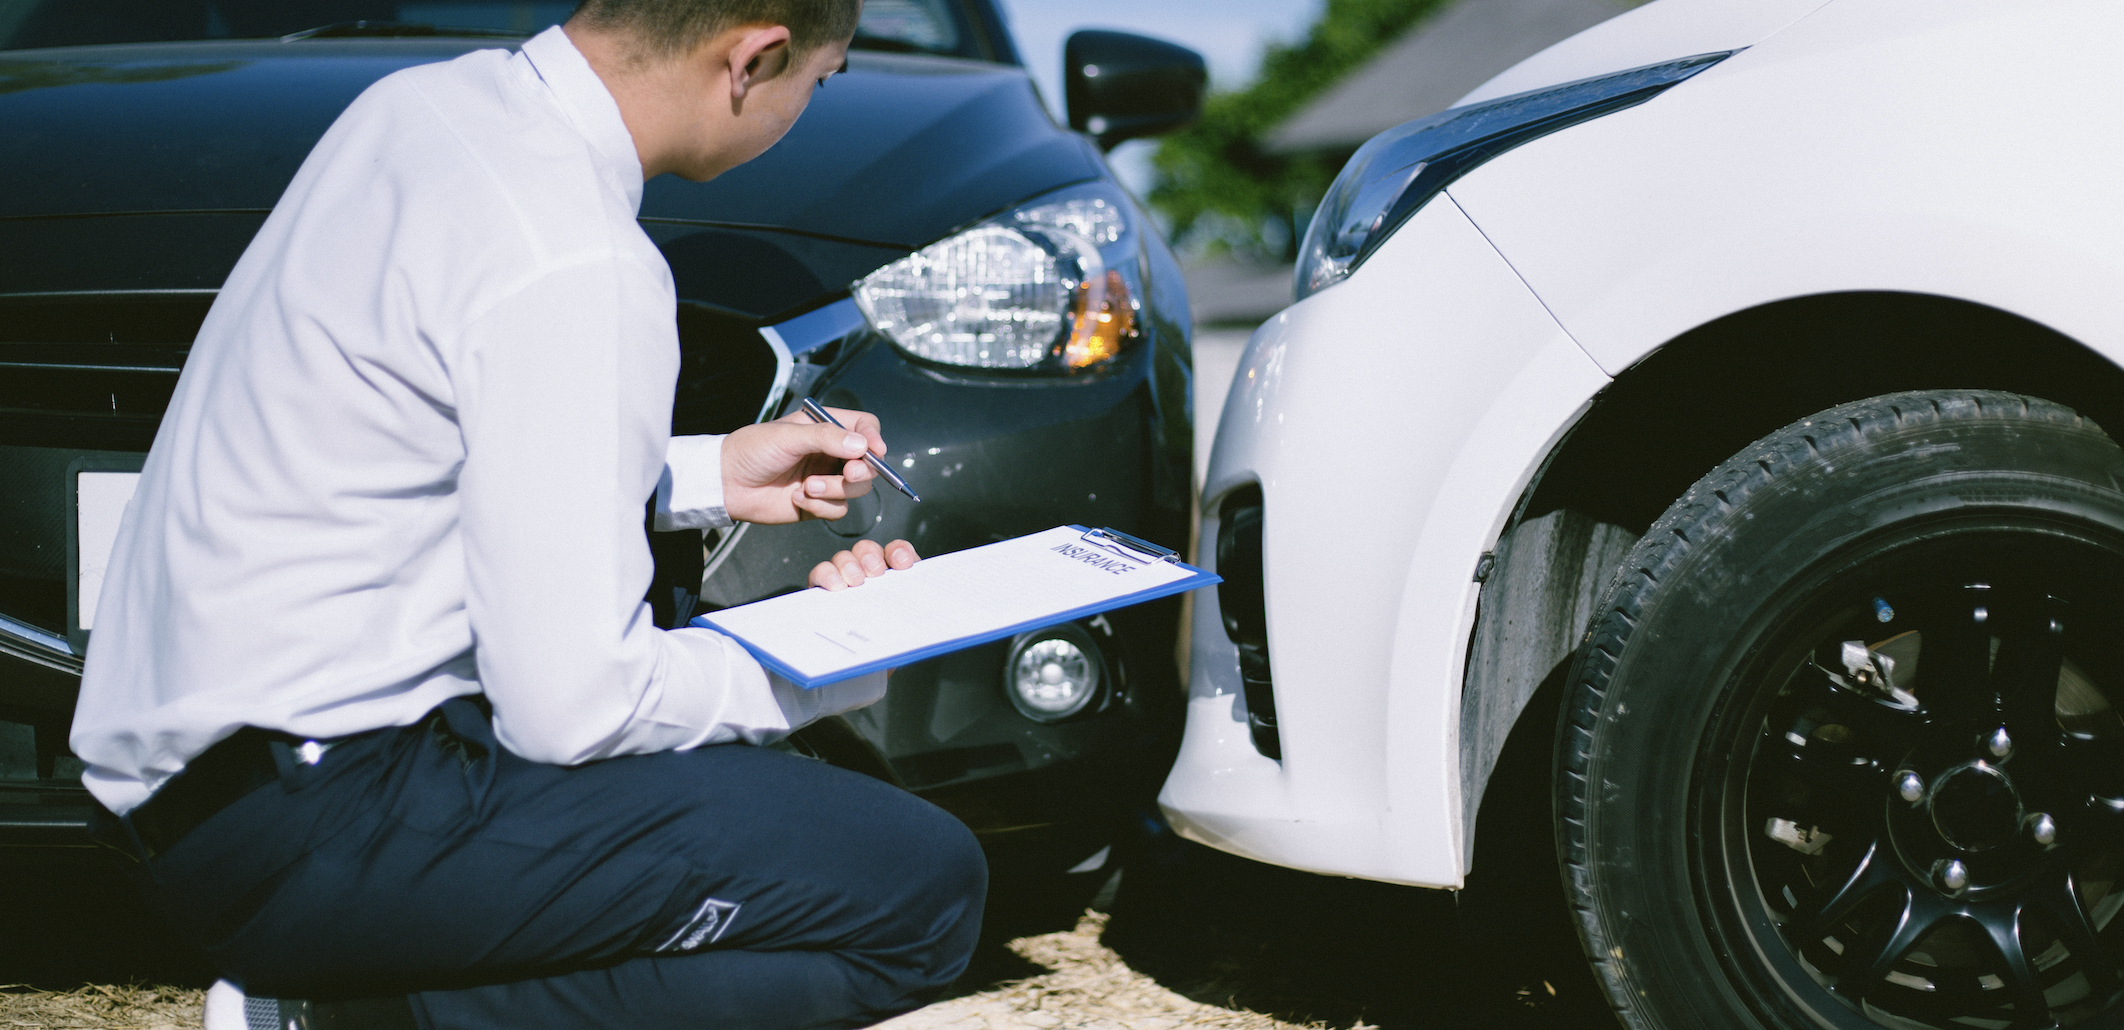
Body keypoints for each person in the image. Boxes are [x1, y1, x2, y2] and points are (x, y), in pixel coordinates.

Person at [68, 1, 989, 1027]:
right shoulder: (579, 254)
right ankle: (348, 1016)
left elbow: (429, 448)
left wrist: (707, 473)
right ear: (754, 58)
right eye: (822, 78)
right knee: (920, 884)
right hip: (315, 828)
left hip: (185, 791)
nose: (810, 105)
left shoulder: (424, 108)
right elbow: (575, 707)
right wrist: (821, 661)